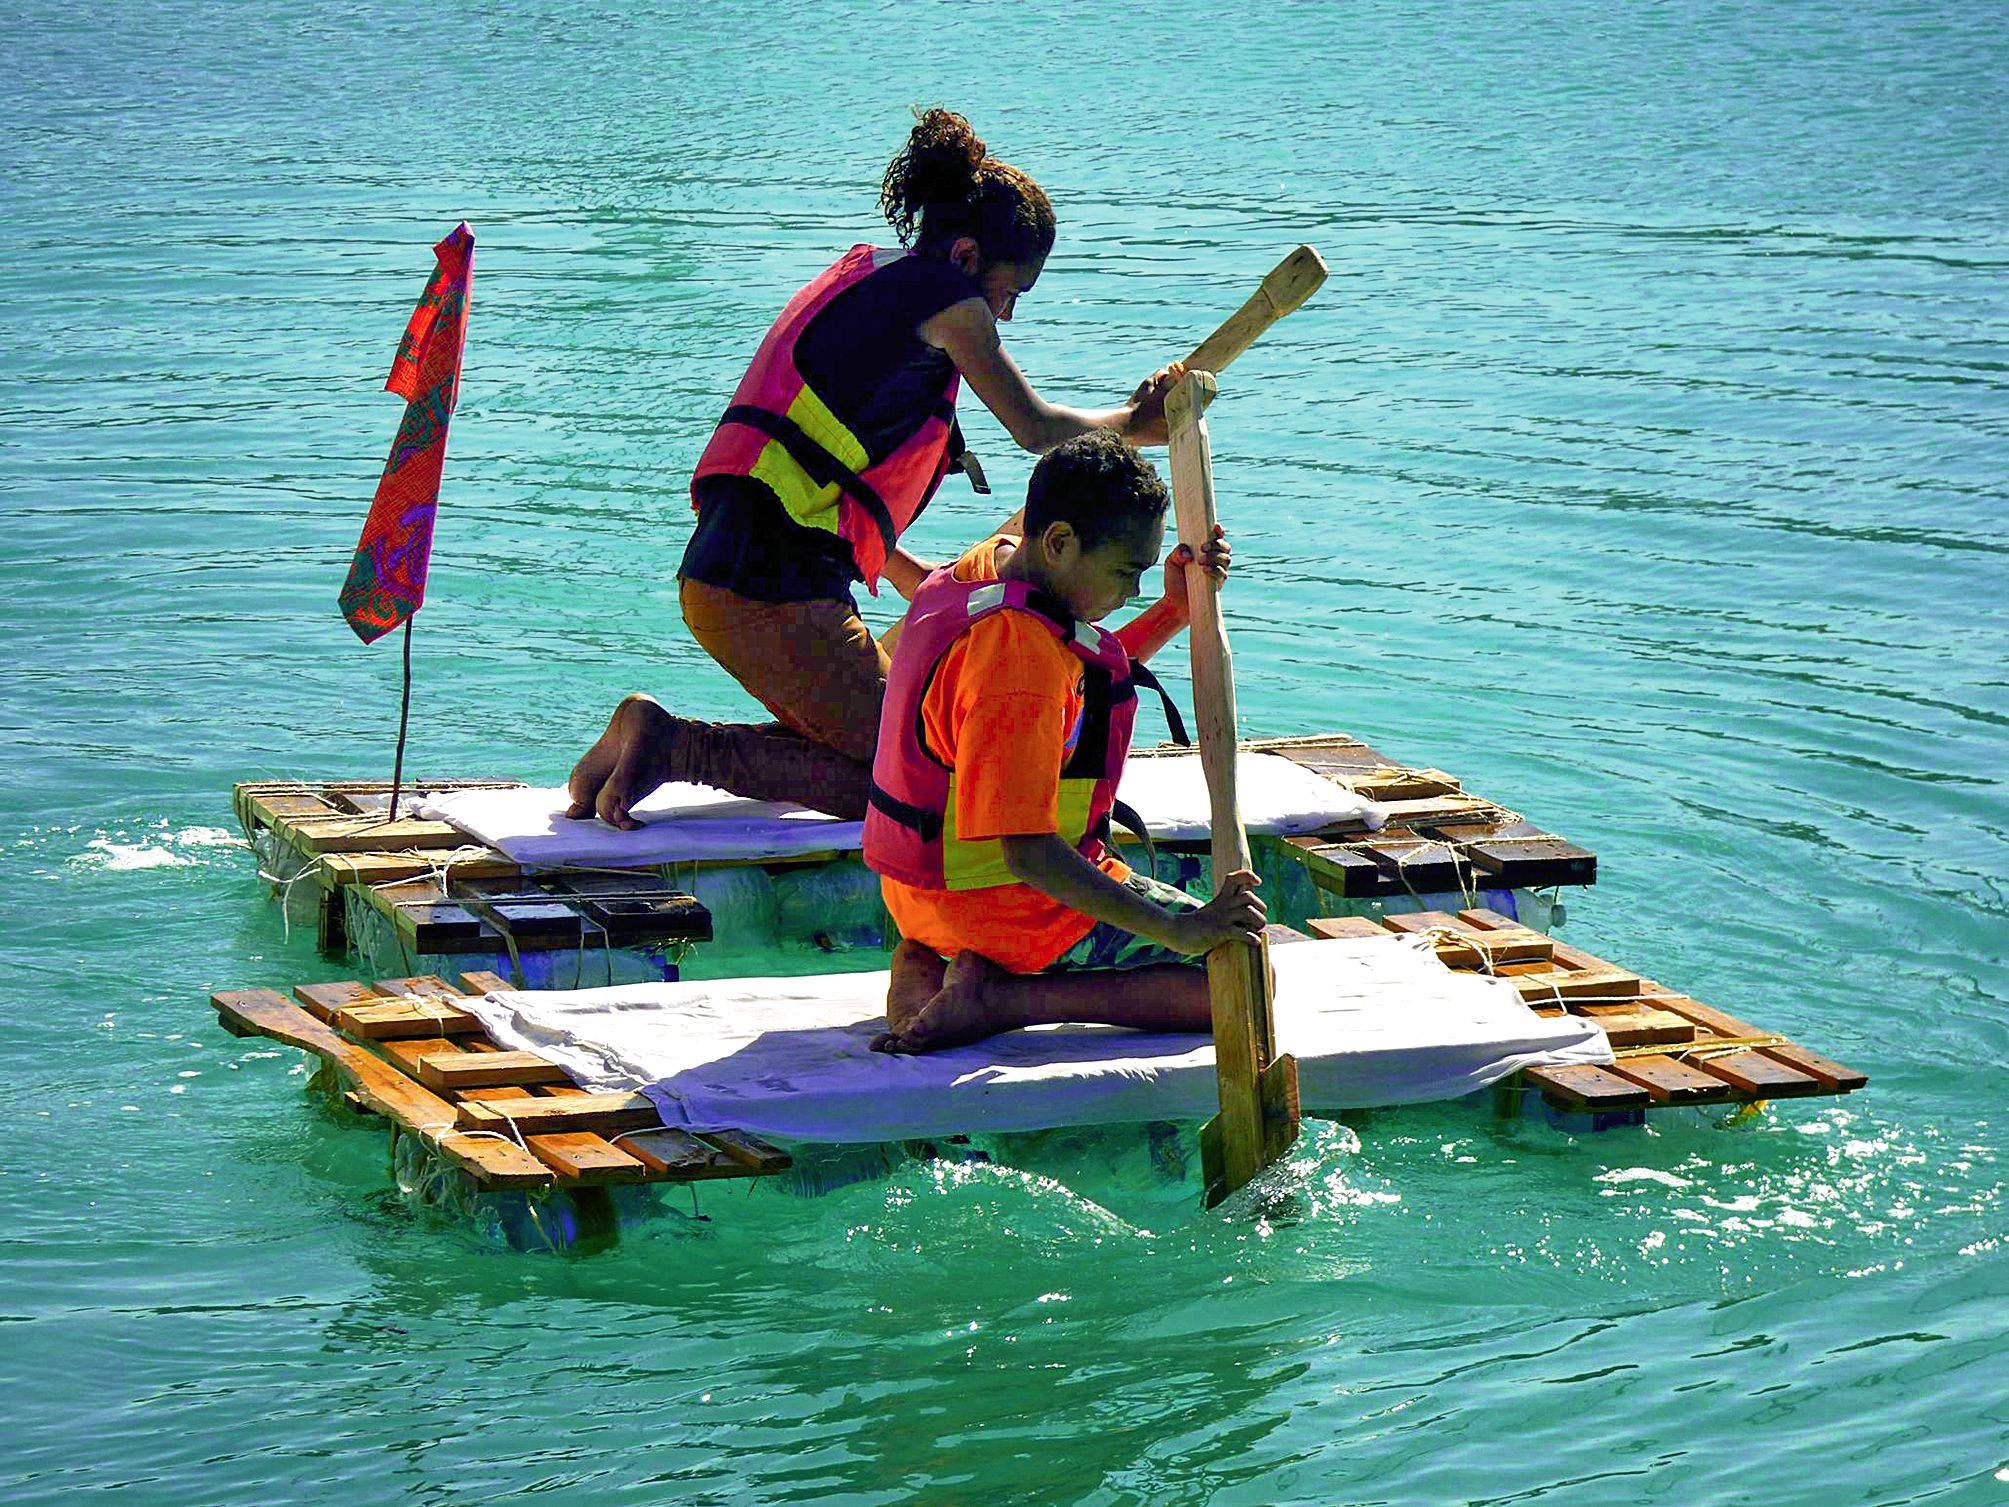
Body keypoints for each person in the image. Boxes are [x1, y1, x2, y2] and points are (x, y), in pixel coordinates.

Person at [568, 108, 1183, 828]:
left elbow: (825, 477)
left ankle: (659, 741)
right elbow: (1034, 427)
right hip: (768, 586)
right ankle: (673, 748)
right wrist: (1136, 427)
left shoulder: (877, 284)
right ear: (963, 257)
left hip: (745, 574)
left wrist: (911, 551)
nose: (1006, 316)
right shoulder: (945, 302)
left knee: (885, 745)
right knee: (911, 780)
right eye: (1010, 292)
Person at [862, 431, 1265, 1054]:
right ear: (1059, 543)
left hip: (919, 898)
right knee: (1241, 978)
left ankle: (931, 961)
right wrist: (1179, 931)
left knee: (1217, 957)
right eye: (1125, 572)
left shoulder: (983, 571)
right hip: (1002, 903)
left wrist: (1172, 611)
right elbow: (1029, 853)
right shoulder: (1018, 666)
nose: (1130, 591)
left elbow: (1078, 685)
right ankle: (1002, 999)